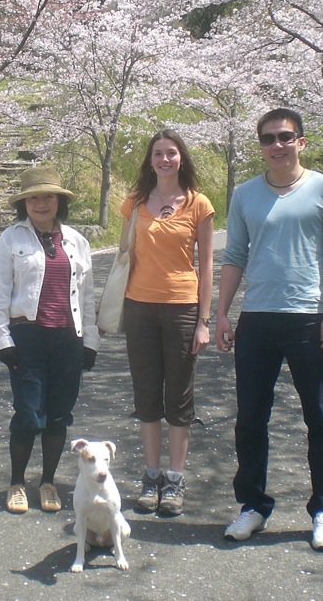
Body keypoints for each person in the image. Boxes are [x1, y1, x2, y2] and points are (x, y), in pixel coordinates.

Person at [215, 107, 323, 551]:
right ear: (261, 146)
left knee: (320, 418)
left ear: (301, 142)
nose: (277, 145)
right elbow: (234, 254)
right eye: (269, 138)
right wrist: (221, 313)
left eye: (285, 137)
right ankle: (253, 506)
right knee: (251, 419)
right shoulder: (245, 194)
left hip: (309, 319)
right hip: (258, 318)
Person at [0, 167, 100, 515]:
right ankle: (17, 483)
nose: (42, 203)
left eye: (48, 196)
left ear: (59, 201)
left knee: (58, 416)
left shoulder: (76, 241)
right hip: (27, 338)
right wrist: (2, 339)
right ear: (24, 203)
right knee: (28, 415)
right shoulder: (10, 239)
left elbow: (87, 296)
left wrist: (91, 342)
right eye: (34, 197)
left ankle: (48, 481)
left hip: (68, 338)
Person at [119, 130, 215, 516]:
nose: (164, 160)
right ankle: (151, 474)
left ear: (181, 158)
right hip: (139, 308)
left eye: (171, 153)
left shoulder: (198, 204)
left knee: (178, 397)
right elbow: (123, 258)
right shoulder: (135, 203)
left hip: (182, 308)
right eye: (158, 153)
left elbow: (207, 266)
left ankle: (175, 479)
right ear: (150, 160)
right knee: (146, 396)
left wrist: (204, 320)